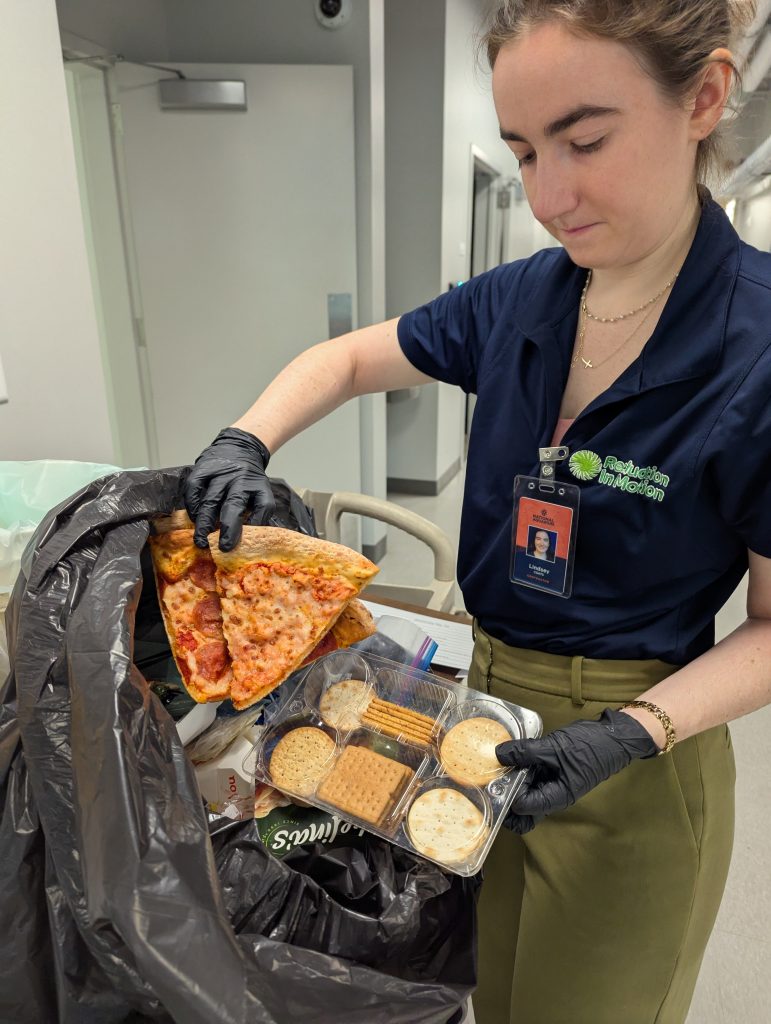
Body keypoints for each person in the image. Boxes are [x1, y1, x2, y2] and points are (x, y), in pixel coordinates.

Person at [184, 1, 771, 1021]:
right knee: (486, 992)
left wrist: (629, 731)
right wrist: (247, 437)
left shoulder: (756, 348)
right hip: (479, 712)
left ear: (705, 98)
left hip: (635, 748)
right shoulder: (523, 299)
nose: (550, 194)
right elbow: (351, 356)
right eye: (523, 152)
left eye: (584, 142)